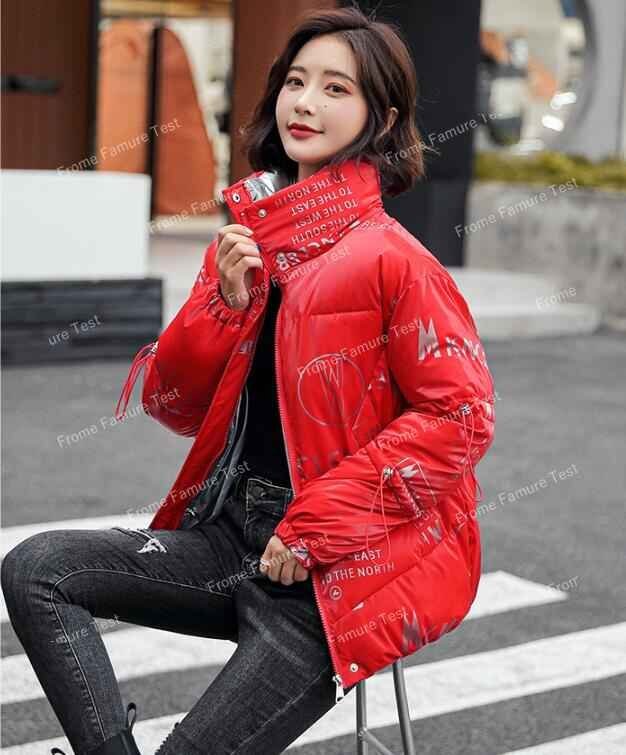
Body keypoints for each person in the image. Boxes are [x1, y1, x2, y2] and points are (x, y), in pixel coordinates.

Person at [1, 6, 496, 755]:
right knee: (36, 569)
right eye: (296, 81)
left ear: (383, 118)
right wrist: (225, 309)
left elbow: (460, 418)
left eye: (336, 88)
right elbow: (174, 406)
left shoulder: (397, 262)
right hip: (231, 536)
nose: (306, 102)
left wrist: (314, 528)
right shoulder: (245, 244)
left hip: (331, 577)